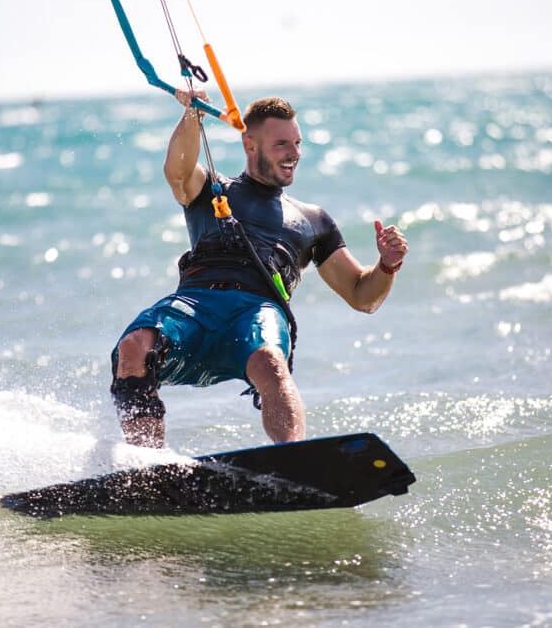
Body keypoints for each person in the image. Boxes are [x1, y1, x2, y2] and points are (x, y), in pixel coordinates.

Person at [110, 91, 408, 448]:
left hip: (256, 312)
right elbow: (177, 171)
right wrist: (193, 115)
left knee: (269, 361)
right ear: (250, 145)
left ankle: (291, 459)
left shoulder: (314, 220)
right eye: (282, 143)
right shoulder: (211, 190)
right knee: (133, 346)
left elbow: (362, 295)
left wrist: (388, 265)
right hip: (194, 307)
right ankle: (144, 466)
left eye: (297, 143)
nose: (294, 153)